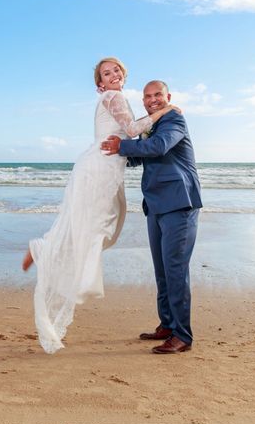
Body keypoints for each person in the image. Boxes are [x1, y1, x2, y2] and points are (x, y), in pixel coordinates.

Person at [23, 58, 178, 354]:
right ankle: (45, 249)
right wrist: (166, 110)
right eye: (107, 73)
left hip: (103, 166)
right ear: (100, 85)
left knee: (100, 225)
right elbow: (132, 130)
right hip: (100, 168)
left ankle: (49, 250)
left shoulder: (116, 97)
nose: (113, 75)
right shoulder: (114, 97)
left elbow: (130, 136)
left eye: (116, 70)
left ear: (123, 74)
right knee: (96, 227)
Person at [101, 80, 202, 354]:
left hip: (179, 205)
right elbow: (140, 156)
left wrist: (124, 146)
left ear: (167, 96)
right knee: (162, 271)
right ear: (143, 101)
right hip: (156, 205)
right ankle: (167, 325)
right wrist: (113, 150)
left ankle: (182, 336)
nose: (153, 100)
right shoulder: (152, 125)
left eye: (158, 95)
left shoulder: (173, 121)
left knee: (175, 271)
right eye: (147, 97)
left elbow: (158, 147)